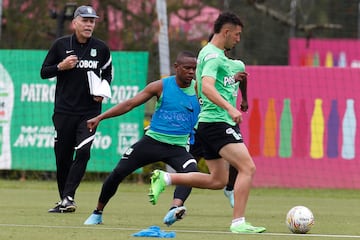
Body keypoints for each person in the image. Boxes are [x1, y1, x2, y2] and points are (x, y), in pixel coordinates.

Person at [148, 12, 266, 233]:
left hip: (208, 124)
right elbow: (207, 86)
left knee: (218, 180)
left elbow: (212, 84)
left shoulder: (220, 57)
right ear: (226, 32)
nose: (238, 39)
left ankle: (166, 177)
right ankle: (238, 222)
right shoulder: (212, 56)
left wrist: (241, 98)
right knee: (247, 168)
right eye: (237, 35)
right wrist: (230, 107)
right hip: (217, 123)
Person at [83, 51, 200, 225]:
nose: (191, 72)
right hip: (152, 142)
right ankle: (97, 212)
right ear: (176, 68)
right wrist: (100, 117)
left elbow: (221, 90)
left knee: (191, 171)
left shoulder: (200, 89)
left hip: (178, 147)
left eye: (194, 69)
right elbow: (129, 104)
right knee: (118, 173)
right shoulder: (160, 86)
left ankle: (174, 210)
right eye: (187, 68)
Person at [40, 5, 112, 213]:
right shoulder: (60, 45)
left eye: (92, 21)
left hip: (89, 112)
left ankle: (69, 197)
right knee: (62, 158)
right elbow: (44, 72)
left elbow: (107, 74)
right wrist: (61, 66)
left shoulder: (101, 48)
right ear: (75, 23)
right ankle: (65, 199)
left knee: (84, 151)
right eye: (85, 20)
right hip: (63, 111)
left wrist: (103, 90)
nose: (89, 24)